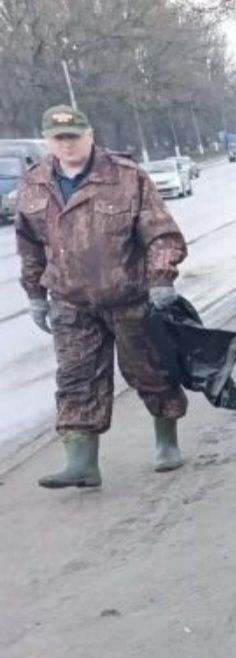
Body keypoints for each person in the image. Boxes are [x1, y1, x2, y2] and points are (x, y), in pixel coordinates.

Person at [15, 104, 189, 489]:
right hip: (71, 303)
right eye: (59, 139)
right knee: (76, 380)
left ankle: (166, 443)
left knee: (151, 372)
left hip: (130, 298)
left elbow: (162, 234)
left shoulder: (126, 176)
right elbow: (29, 246)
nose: (68, 145)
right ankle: (81, 463)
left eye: (74, 137)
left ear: (90, 136)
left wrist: (161, 279)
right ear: (47, 141)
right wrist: (35, 295)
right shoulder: (34, 183)